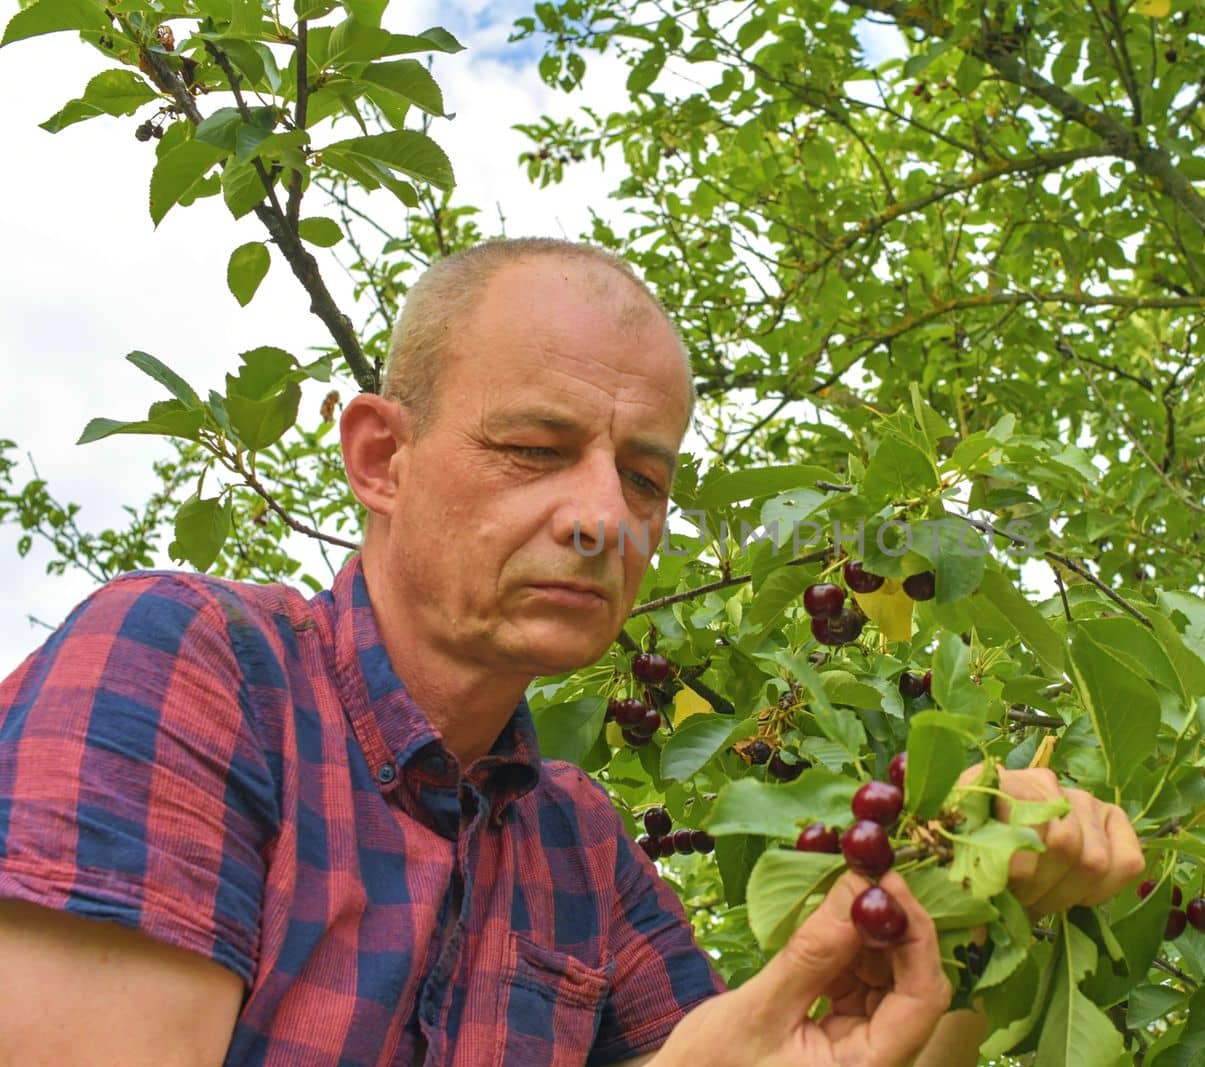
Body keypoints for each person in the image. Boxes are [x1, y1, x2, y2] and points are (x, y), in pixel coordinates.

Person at [0, 238, 1145, 1066]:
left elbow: (770, 1051)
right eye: (535, 447)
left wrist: (981, 903)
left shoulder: (580, 846)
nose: (604, 514)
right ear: (380, 458)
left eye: (644, 477)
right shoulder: (190, 663)